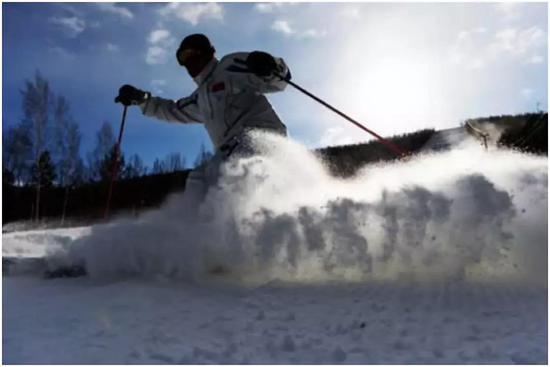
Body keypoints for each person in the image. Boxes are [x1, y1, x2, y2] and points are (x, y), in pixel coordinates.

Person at [115, 33, 291, 212]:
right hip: (231, 151)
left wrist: (269, 67)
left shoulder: (229, 67)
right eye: (182, 58)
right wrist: (142, 99)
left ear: (208, 52)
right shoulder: (200, 98)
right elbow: (172, 110)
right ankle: (200, 231)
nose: (187, 62)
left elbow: (279, 80)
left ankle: (228, 224)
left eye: (191, 54)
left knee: (220, 176)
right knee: (198, 181)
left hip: (261, 138)